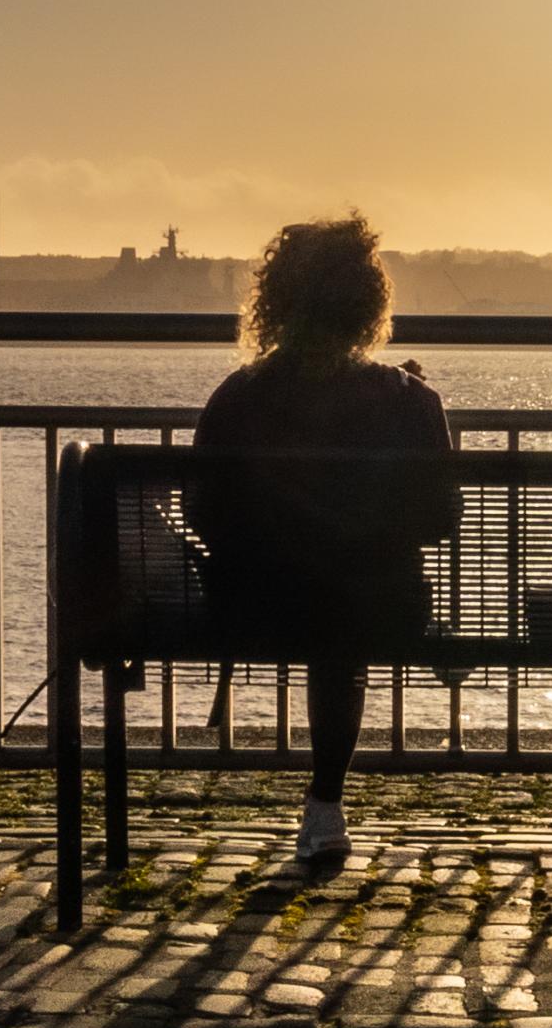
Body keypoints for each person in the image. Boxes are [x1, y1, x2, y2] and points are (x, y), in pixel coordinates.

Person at [187, 215, 457, 861]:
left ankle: (323, 811)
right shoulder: (407, 397)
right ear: (370, 302)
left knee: (326, 604)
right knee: (344, 621)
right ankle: (326, 806)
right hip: (380, 611)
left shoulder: (238, 395)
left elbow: (204, 513)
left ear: (275, 300)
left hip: (253, 610)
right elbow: (439, 520)